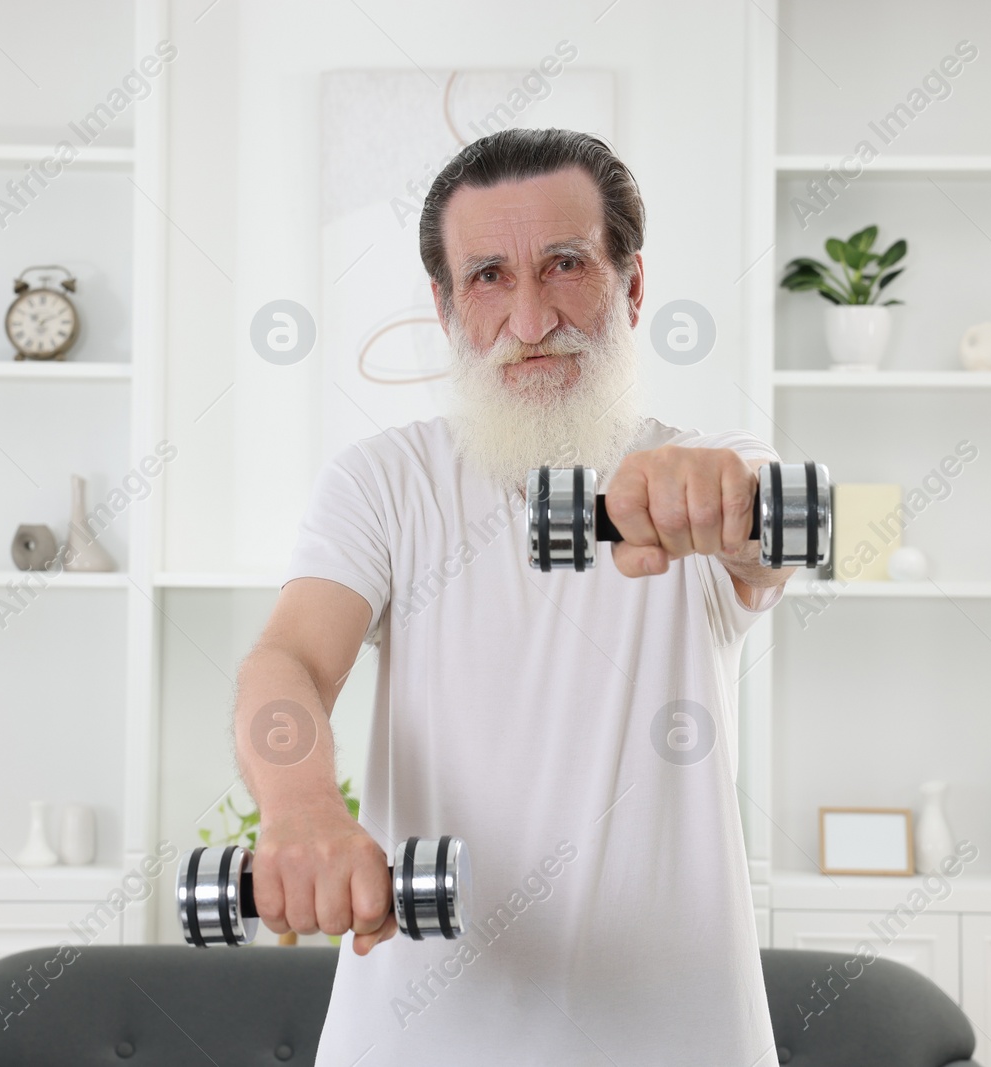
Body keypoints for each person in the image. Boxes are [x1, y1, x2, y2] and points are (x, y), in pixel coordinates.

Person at [233, 127, 791, 1065]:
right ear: (448, 308)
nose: (530, 320)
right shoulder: (383, 480)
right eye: (490, 276)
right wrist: (299, 810)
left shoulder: (700, 475)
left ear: (633, 286)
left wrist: (726, 505)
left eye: (566, 264)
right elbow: (287, 659)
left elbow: (765, 522)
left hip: (678, 1038)